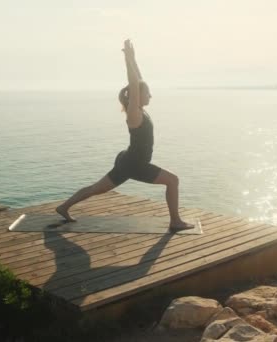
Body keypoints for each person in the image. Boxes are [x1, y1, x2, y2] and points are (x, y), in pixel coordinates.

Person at [56, 39, 193, 230]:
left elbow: (138, 81)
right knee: (173, 180)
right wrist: (127, 60)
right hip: (135, 164)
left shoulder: (139, 109)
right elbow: (134, 84)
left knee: (97, 189)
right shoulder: (134, 113)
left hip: (127, 161)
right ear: (138, 95)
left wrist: (133, 59)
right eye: (148, 93)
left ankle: (63, 207)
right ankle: (175, 222)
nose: (151, 96)